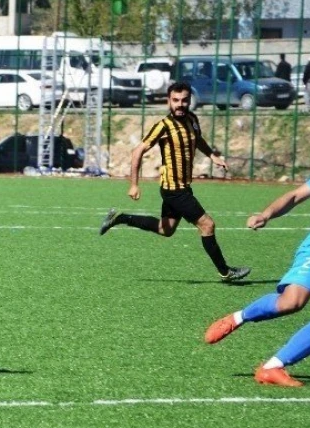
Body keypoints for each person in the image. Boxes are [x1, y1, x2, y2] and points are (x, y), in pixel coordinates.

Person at [204, 158, 310, 387]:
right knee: (292, 302)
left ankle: (272, 367)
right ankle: (238, 317)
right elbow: (296, 196)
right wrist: (266, 214)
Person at [99, 81, 250, 283]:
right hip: (175, 190)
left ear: (189, 101)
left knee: (166, 229)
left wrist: (212, 156)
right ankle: (225, 272)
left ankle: (121, 218)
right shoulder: (164, 126)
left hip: (180, 188)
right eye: (175, 100)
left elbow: (198, 140)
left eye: (184, 100)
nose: (180, 104)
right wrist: (134, 184)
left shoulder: (192, 119)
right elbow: (137, 152)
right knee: (207, 225)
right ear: (168, 101)